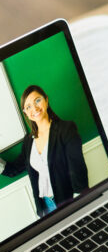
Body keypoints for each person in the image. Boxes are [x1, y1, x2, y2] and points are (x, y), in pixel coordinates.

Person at [0, 84, 88, 217]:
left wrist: (78, 206)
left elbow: (78, 170)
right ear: (25, 113)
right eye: (28, 107)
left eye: (37, 100)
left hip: (69, 203)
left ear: (46, 100)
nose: (34, 108)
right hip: (45, 207)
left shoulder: (66, 130)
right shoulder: (28, 141)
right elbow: (13, 170)